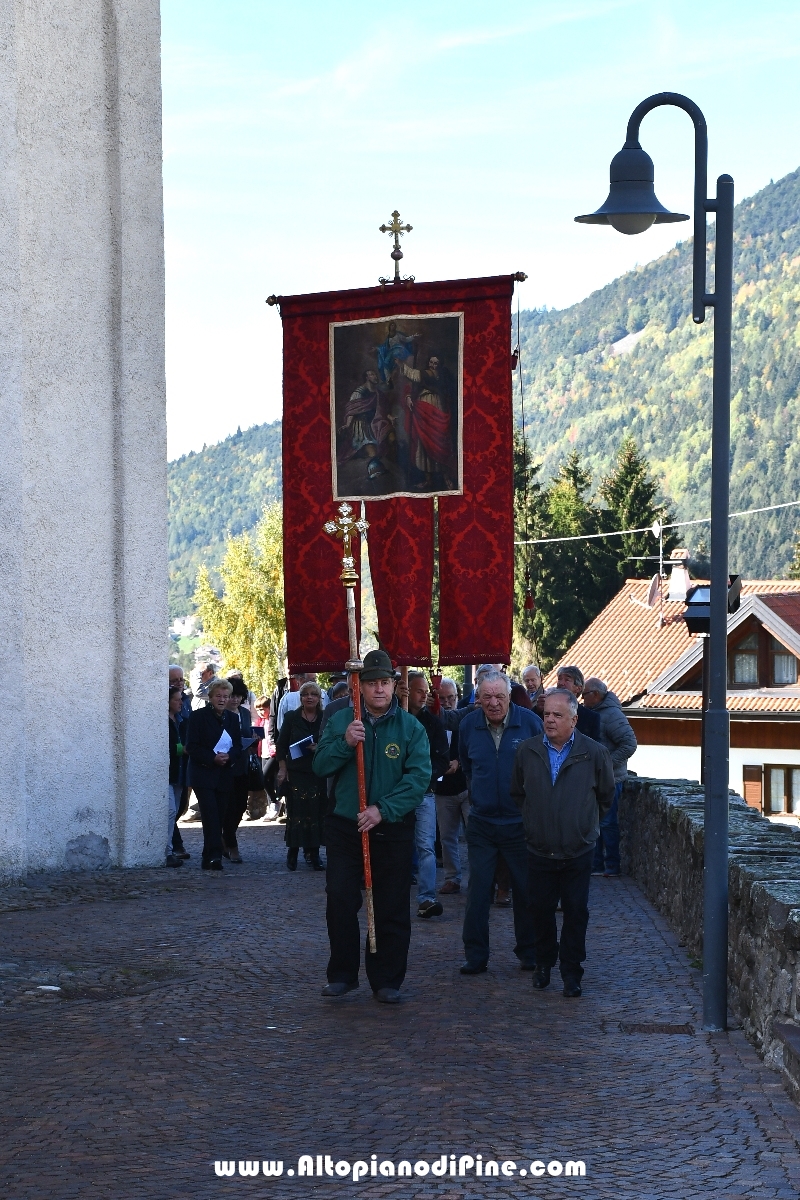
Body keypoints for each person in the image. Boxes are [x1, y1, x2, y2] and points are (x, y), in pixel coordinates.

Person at [313, 649, 429, 1003]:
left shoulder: (410, 727)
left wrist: (384, 809)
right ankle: (343, 974)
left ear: (394, 686)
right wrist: (346, 743)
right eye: (371, 684)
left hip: (390, 829)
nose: (378, 689)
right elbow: (320, 765)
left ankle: (387, 979)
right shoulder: (341, 720)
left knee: (391, 904)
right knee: (341, 900)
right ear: (358, 687)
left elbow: (418, 778)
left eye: (384, 683)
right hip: (346, 826)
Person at [510, 687, 615, 997]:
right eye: (546, 715)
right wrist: (535, 821)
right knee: (539, 909)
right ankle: (544, 964)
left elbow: (605, 797)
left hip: (578, 849)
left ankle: (572, 972)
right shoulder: (528, 751)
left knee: (575, 911)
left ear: (574, 719)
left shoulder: (594, 753)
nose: (550, 720)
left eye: (558, 715)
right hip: (540, 848)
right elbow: (519, 793)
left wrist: (583, 825)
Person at [457, 670, 543, 975]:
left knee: (525, 889)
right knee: (478, 891)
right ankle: (476, 955)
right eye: (487, 697)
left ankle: (529, 952)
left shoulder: (530, 723)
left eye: (500, 697)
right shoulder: (468, 725)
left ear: (510, 696)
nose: (493, 703)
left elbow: (542, 767)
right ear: (478, 697)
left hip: (519, 822)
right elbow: (467, 766)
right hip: (481, 822)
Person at [582, 677, 638, 879]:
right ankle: (596, 865)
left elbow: (629, 744)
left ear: (595, 695)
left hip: (612, 779)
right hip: (599, 779)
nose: (582, 699)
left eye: (585, 695)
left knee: (607, 823)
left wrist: (606, 764)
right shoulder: (598, 713)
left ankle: (611, 865)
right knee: (596, 822)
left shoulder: (612, 715)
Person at [406, 671, 450, 918]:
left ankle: (426, 898)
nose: (424, 696)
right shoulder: (396, 718)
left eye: (426, 691)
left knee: (426, 847)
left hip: (424, 793)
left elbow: (442, 759)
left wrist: (423, 777)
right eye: (419, 691)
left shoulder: (433, 723)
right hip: (397, 795)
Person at [186, 678, 243, 870]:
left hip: (224, 774)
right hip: (204, 774)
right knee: (210, 815)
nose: (222, 699)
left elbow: (237, 746)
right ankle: (214, 856)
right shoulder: (198, 717)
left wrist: (229, 756)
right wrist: (212, 758)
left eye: (225, 696)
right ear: (210, 697)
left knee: (220, 815)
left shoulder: (233, 719)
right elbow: (191, 746)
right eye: (218, 696)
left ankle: (208, 854)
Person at [276, 681, 327, 871]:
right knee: (297, 813)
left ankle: (313, 854)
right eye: (306, 694)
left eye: (313, 694)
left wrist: (319, 747)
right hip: (296, 772)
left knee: (315, 813)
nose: (309, 697)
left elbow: (331, 742)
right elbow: (281, 745)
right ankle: (293, 852)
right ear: (301, 697)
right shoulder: (292, 717)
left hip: (318, 772)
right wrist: (282, 769)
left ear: (319, 697)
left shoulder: (324, 717)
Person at [433, 677, 470, 896]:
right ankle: (452, 877)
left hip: (465, 786)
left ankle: (477, 878)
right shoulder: (433, 720)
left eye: (451, 698)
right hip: (442, 789)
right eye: (442, 698)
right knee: (447, 837)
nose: (447, 702)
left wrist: (459, 762)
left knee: (474, 835)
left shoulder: (465, 720)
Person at [221, 678, 263, 862]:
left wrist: (253, 739)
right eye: (232, 696)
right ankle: (231, 844)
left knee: (239, 806)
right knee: (227, 807)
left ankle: (226, 838)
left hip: (243, 765)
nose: (235, 700)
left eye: (239, 696)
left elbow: (247, 735)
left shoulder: (245, 714)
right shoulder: (220, 714)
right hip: (224, 766)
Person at [167, 686, 187, 868]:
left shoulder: (180, 719)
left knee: (177, 810)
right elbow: (167, 746)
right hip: (169, 772)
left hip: (180, 772)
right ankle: (167, 851)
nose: (181, 702)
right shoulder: (165, 721)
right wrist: (183, 749)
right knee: (170, 811)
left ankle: (170, 849)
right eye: (177, 699)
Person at [555, 665, 602, 741]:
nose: (561, 683)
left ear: (578, 688)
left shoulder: (591, 718)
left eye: (567, 680)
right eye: (559, 679)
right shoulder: (547, 711)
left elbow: (595, 749)